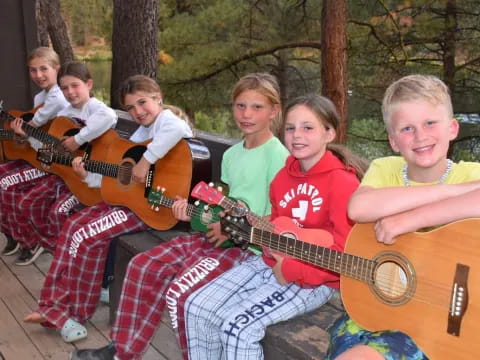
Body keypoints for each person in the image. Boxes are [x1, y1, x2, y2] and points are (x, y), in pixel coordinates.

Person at [70, 72, 290, 360]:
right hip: (213, 237)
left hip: (246, 250)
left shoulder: (279, 157)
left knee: (181, 293)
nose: (246, 114)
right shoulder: (232, 155)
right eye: (240, 106)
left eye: (257, 107)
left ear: (274, 111)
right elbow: (225, 203)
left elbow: (279, 217)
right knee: (142, 266)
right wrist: (190, 211)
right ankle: (121, 352)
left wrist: (234, 228)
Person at [184, 94, 366, 360]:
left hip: (317, 278)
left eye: (308, 127)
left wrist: (291, 268)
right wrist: (255, 230)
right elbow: (279, 226)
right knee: (196, 306)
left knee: (237, 329)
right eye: (290, 128)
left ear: (329, 133)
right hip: (273, 262)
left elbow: (345, 251)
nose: (297, 135)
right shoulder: (282, 178)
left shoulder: (342, 182)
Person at [22, 74, 193, 344]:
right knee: (72, 226)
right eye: (130, 108)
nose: (137, 111)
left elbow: (177, 130)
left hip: (155, 208)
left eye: (143, 103)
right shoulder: (139, 135)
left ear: (158, 98)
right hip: (131, 204)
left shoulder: (166, 122)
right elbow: (114, 179)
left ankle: (74, 312)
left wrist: (147, 160)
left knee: (86, 236)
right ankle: (52, 305)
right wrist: (84, 175)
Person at [325, 74, 480, 360]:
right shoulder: (386, 169)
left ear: (453, 128)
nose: (420, 136)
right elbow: (357, 209)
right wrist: (450, 192)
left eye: (430, 123)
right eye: (407, 128)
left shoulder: (472, 173)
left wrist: (410, 219)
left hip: (445, 330)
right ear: (393, 141)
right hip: (380, 315)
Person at [5, 61, 118, 266]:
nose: (70, 92)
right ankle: (53, 248)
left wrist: (79, 139)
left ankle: (67, 258)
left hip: (92, 179)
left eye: (75, 85)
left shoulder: (95, 108)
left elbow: (109, 116)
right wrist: (27, 136)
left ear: (89, 85)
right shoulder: (64, 115)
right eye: (64, 88)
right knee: (27, 202)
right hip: (67, 176)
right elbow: (46, 153)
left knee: (58, 212)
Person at [0, 47, 68, 260]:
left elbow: (32, 128)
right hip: (37, 157)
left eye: (43, 69)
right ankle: (12, 232)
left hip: (53, 164)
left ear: (56, 69)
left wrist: (24, 133)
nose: (38, 75)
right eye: (32, 70)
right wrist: (21, 135)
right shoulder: (41, 96)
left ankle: (31, 241)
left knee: (6, 184)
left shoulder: (58, 97)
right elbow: (30, 133)